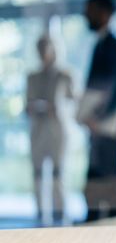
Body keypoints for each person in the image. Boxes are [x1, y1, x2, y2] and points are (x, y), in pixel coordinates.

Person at [78, 0, 116, 222]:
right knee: (98, 179)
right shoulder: (102, 44)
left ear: (104, 13)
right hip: (99, 126)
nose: (86, 15)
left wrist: (96, 117)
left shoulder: (113, 46)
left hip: (108, 126)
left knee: (106, 181)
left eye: (91, 10)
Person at [26, 35, 74, 224]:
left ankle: (60, 213)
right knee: (38, 173)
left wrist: (59, 108)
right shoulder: (32, 77)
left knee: (58, 173)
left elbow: (73, 102)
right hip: (38, 130)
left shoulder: (65, 75)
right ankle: (40, 214)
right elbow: (27, 104)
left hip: (58, 129)